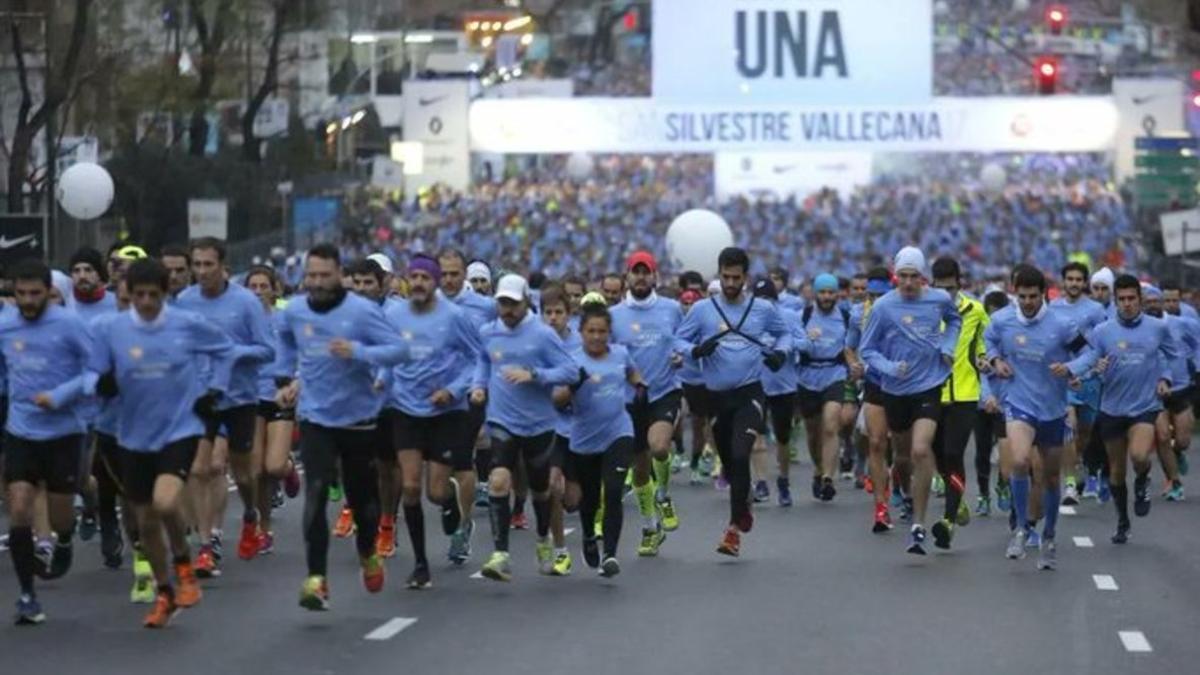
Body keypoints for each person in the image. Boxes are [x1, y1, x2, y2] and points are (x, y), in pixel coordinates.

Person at [88, 258, 234, 626]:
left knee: (166, 500)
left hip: (180, 429)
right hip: (133, 436)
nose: (147, 302)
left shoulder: (186, 324)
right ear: (129, 295)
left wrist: (214, 389)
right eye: (139, 295)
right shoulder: (113, 329)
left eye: (154, 294)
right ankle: (166, 591)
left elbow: (226, 350)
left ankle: (184, 564)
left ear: (166, 294)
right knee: (146, 523)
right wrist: (101, 385)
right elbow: (94, 373)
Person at [274, 243, 415, 610]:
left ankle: (368, 550)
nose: (317, 282)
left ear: (339, 275)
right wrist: (286, 381)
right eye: (311, 275)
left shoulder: (362, 312)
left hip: (358, 420)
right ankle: (316, 578)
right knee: (316, 493)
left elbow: (400, 351)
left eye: (324, 275)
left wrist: (359, 352)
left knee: (362, 500)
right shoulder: (295, 311)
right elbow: (286, 347)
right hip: (316, 417)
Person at [677, 247, 792, 557]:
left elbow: (785, 335)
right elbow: (679, 340)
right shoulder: (702, 310)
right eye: (725, 277)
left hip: (749, 394)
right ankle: (744, 500)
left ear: (746, 278)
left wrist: (780, 353)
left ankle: (732, 529)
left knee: (742, 455)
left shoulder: (762, 309)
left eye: (736, 278)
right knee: (730, 463)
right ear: (719, 274)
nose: (730, 283)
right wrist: (695, 351)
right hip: (716, 397)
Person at [1, 259, 95, 624]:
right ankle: (27, 595)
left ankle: (66, 538)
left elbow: (96, 370)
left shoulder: (69, 324)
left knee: (59, 516)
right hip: (21, 429)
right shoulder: (5, 325)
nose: (27, 301)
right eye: (20, 293)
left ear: (48, 292)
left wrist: (61, 395)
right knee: (21, 506)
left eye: (34, 294)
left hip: (64, 432)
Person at [382, 254, 484, 587]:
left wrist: (454, 391)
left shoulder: (454, 317)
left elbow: (477, 359)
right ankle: (421, 563)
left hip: (445, 413)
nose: (419, 283)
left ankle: (450, 499)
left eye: (426, 278)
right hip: (405, 408)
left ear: (436, 282)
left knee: (435, 492)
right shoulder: (394, 314)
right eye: (414, 277)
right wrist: (381, 379)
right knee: (410, 486)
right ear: (406, 281)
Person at [176, 237, 275, 575]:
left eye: (209, 264)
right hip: (201, 397)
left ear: (223, 267)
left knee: (245, 473)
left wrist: (236, 352)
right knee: (203, 468)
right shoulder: (184, 302)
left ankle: (250, 513)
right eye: (197, 265)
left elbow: (268, 350)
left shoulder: (246, 303)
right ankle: (207, 545)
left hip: (240, 398)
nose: (202, 271)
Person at [470, 274, 578, 582]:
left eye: (513, 303)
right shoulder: (488, 332)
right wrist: (478, 386)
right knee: (499, 481)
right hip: (502, 420)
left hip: (539, 424)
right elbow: (483, 360)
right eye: (502, 303)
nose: (507, 309)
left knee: (541, 491)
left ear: (525, 302)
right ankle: (500, 553)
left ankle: (543, 538)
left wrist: (536, 375)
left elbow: (570, 370)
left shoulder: (543, 334)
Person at [984, 267, 1090, 570]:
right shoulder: (1002, 319)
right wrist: (996, 360)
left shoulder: (1061, 324)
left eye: (1033, 296)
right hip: (1019, 403)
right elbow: (988, 342)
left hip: (1052, 409)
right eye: (1022, 296)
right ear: (1014, 293)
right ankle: (1020, 528)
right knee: (1019, 461)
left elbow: (1089, 353)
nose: (1027, 302)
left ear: (1043, 293)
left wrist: (1071, 369)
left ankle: (1050, 535)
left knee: (1051, 476)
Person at [858, 247, 962, 555]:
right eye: (902, 276)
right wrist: (890, 368)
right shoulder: (884, 307)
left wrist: (948, 345)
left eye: (913, 277)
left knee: (920, 449)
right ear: (894, 276)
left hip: (929, 385)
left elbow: (954, 321)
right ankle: (901, 493)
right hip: (895, 391)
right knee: (902, 457)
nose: (907, 283)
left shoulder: (939, 299)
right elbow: (867, 350)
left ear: (923, 278)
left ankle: (918, 524)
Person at [1071, 274, 1178, 544]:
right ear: (1115, 301)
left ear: (1140, 300)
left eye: (1132, 299)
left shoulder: (1157, 328)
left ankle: (1143, 478)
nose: (1127, 304)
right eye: (1122, 299)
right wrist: (1080, 374)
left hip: (1144, 406)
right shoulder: (1103, 331)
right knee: (1117, 471)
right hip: (1111, 409)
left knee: (1140, 455)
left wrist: (1166, 379)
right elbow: (1091, 360)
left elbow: (1171, 355)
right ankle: (1122, 520)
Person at [554, 304, 642, 578]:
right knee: (588, 499)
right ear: (581, 332)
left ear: (609, 333)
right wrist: (573, 386)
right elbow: (556, 401)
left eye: (602, 331)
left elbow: (633, 373)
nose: (596, 337)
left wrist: (641, 386)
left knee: (613, 490)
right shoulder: (571, 360)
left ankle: (611, 555)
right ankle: (589, 535)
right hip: (584, 439)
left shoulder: (620, 353)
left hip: (618, 431)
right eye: (591, 331)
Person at [609, 251, 684, 557]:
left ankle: (664, 495)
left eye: (646, 272)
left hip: (664, 391)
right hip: (630, 398)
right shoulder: (614, 315)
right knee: (639, 471)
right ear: (627, 276)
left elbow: (683, 339)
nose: (641, 277)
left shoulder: (672, 309)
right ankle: (650, 527)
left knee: (660, 447)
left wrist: (681, 354)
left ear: (655, 277)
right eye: (635, 272)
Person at [929, 257, 988, 547]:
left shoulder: (974, 311)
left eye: (950, 289)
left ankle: (948, 520)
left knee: (954, 453)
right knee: (937, 456)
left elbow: (988, 344)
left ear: (959, 284)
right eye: (940, 289)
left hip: (965, 394)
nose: (946, 296)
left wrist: (985, 359)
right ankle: (957, 497)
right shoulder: (925, 312)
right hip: (930, 393)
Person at [243, 266, 300, 557]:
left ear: (274, 289)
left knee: (273, 467)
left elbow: (303, 350)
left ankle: (288, 469)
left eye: (263, 286)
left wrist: (296, 382)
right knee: (255, 472)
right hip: (250, 397)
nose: (257, 292)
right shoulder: (240, 320)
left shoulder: (286, 316)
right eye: (252, 286)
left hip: (279, 395)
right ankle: (263, 528)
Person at [438, 249, 498, 512]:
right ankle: (452, 499)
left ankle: (464, 522)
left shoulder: (486, 307)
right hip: (437, 393)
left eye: (454, 274)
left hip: (473, 390)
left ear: (464, 275)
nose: (449, 280)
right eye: (443, 274)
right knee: (444, 462)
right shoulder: (429, 303)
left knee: (466, 449)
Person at [1050, 262, 1108, 505]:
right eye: (1070, 279)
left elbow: (1104, 342)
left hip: (1090, 379)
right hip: (1063, 378)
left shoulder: (1095, 310)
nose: (1074, 283)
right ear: (1063, 282)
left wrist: (1098, 367)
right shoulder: (1052, 308)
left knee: (1084, 433)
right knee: (1069, 428)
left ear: (1084, 283)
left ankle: (1080, 461)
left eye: (1078, 280)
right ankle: (1071, 485)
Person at [846, 267, 898, 532]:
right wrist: (854, 364)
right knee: (876, 441)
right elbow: (849, 346)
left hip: (903, 383)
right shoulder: (858, 314)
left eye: (881, 295)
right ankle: (881, 507)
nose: (875, 301)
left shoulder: (905, 308)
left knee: (904, 449)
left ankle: (902, 487)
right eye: (871, 296)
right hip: (875, 381)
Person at [795, 273, 850, 503]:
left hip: (834, 374)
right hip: (807, 377)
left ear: (837, 294)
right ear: (815, 294)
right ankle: (819, 469)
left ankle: (828, 477)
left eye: (831, 292)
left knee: (830, 425)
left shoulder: (845, 317)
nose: (827, 297)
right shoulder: (804, 315)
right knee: (813, 431)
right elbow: (791, 342)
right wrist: (806, 339)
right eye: (823, 292)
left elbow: (853, 345)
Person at [540, 284, 582, 576]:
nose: (553, 318)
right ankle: (559, 550)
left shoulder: (582, 343)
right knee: (552, 486)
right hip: (548, 426)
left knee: (573, 501)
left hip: (579, 428)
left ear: (569, 315)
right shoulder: (534, 343)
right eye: (548, 313)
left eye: (558, 312)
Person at [1142, 285, 1195, 502]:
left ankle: (1178, 452)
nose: (1154, 305)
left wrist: (1197, 366)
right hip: (1155, 391)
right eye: (1150, 301)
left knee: (1182, 441)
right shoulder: (1141, 327)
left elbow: (1198, 344)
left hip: (1181, 388)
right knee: (1162, 436)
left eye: (1158, 301)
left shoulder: (1183, 324)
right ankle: (1175, 482)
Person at [751, 279, 800, 506]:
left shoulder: (789, 317)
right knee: (756, 436)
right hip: (755, 384)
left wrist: (784, 351)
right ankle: (761, 482)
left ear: (775, 299)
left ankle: (783, 480)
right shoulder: (748, 319)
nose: (764, 304)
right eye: (759, 299)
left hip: (783, 385)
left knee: (782, 438)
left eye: (767, 299)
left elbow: (804, 342)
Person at [974, 291, 1013, 518]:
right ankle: (983, 495)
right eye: (991, 316)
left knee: (1005, 448)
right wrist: (987, 396)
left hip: (1006, 403)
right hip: (982, 402)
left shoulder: (1012, 338)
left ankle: (1003, 484)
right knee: (982, 450)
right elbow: (978, 374)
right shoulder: (979, 340)